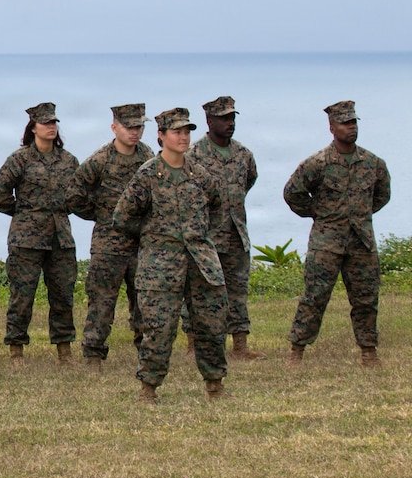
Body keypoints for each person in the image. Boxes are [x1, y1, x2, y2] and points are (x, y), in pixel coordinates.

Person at [112, 107, 228, 404]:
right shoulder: (148, 175)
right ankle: (148, 389)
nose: (183, 137)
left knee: (211, 325)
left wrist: (199, 235)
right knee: (158, 329)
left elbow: (217, 208)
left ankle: (215, 385)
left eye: (187, 131)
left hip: (201, 263)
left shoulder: (199, 175)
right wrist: (153, 236)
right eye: (176, 131)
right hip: (160, 265)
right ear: (161, 135)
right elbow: (123, 217)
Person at [283, 100, 391, 368]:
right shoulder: (317, 163)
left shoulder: (373, 163)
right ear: (332, 128)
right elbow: (292, 192)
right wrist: (318, 213)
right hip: (326, 242)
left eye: (353, 122)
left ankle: (369, 351)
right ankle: (297, 351)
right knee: (314, 297)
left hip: (361, 242)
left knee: (366, 298)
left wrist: (360, 214)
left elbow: (382, 195)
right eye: (345, 123)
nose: (351, 128)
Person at [0, 102, 79, 367]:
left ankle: (64, 350)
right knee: (23, 295)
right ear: (33, 127)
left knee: (63, 294)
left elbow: (78, 195)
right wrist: (23, 214)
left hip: (60, 239)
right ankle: (16, 349)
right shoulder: (20, 159)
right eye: (45, 123)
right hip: (26, 240)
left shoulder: (68, 160)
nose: (51, 127)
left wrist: (62, 212)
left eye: (54, 123)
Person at [67, 103, 153, 372]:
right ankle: (93, 354)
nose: (135, 132)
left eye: (139, 126)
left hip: (141, 243)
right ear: (114, 127)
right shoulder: (100, 159)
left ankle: (147, 352)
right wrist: (101, 215)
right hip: (108, 244)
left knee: (144, 300)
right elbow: (73, 193)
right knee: (102, 300)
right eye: (129, 127)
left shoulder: (147, 157)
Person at [183, 96, 264, 360]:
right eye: (224, 118)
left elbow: (248, 181)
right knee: (200, 291)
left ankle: (240, 346)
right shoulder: (193, 155)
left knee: (238, 290)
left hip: (236, 233)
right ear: (209, 121)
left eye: (232, 118)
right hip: (206, 236)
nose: (230, 123)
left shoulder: (243, 154)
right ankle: (193, 344)